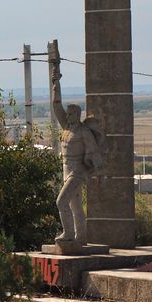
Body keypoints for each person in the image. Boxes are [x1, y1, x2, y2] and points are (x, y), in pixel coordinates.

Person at [51, 64, 104, 245]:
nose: (69, 115)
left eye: (72, 113)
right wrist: (55, 83)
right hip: (66, 171)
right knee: (75, 206)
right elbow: (55, 105)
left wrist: (98, 172)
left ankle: (68, 233)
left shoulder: (83, 132)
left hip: (78, 172)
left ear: (78, 115)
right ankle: (81, 238)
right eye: (69, 112)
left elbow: (94, 152)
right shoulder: (66, 128)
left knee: (61, 202)